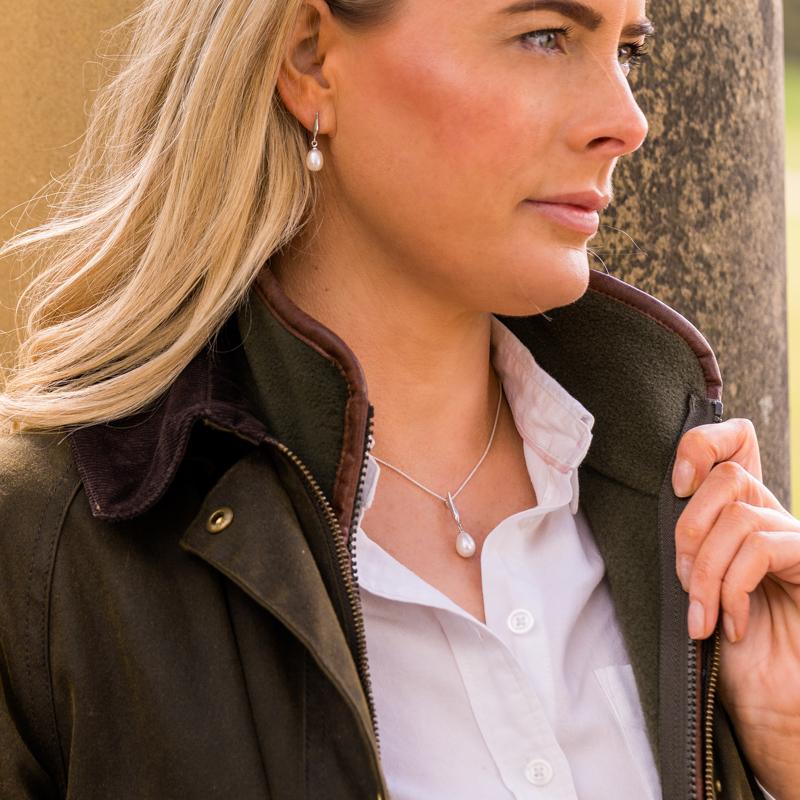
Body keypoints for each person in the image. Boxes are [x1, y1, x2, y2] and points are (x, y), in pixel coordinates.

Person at [0, 0, 797, 798]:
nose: (626, 123)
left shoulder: (683, 516)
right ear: (311, 60)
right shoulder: (47, 557)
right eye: (544, 37)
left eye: (627, 51)